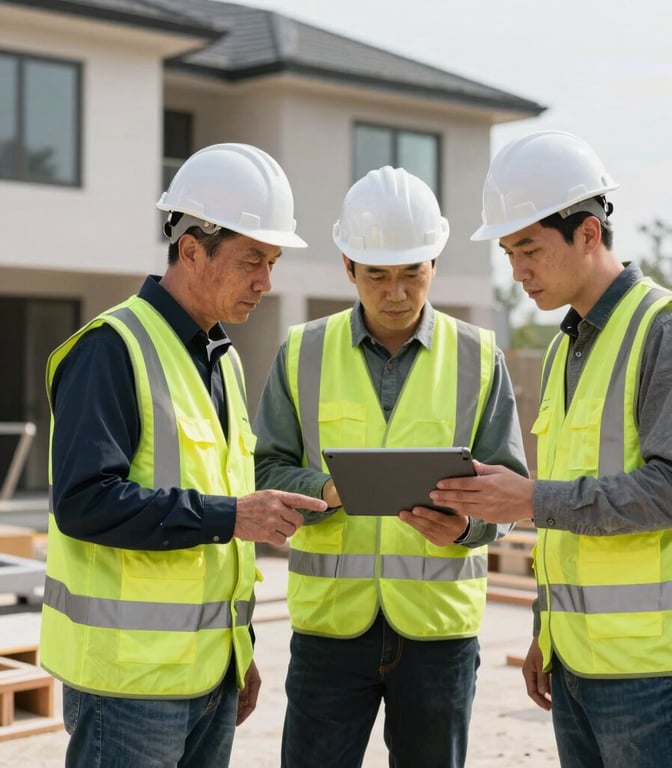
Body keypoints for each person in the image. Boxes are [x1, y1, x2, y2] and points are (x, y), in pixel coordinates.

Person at [428, 130, 672, 767]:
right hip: (579, 660)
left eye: (529, 249)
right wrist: (546, 631)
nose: (517, 271)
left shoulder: (669, 332)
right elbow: (570, 515)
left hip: (655, 667)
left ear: (588, 232)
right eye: (507, 252)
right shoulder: (566, 347)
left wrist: (527, 497)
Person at [40, 143, 328, 768]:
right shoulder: (110, 349)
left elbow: (226, 528)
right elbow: (84, 504)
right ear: (192, 247)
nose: (266, 282)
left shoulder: (221, 361)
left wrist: (238, 655)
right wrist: (232, 515)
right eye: (253, 259)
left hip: (208, 679)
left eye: (273, 262)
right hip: (128, 689)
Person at [253, 165, 529, 768]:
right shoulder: (301, 352)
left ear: (436, 261)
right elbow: (265, 470)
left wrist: (465, 529)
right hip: (330, 630)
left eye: (412, 273)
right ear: (348, 266)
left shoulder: (479, 357)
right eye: (377, 275)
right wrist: (325, 489)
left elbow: (507, 492)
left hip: (437, 634)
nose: (396, 293)